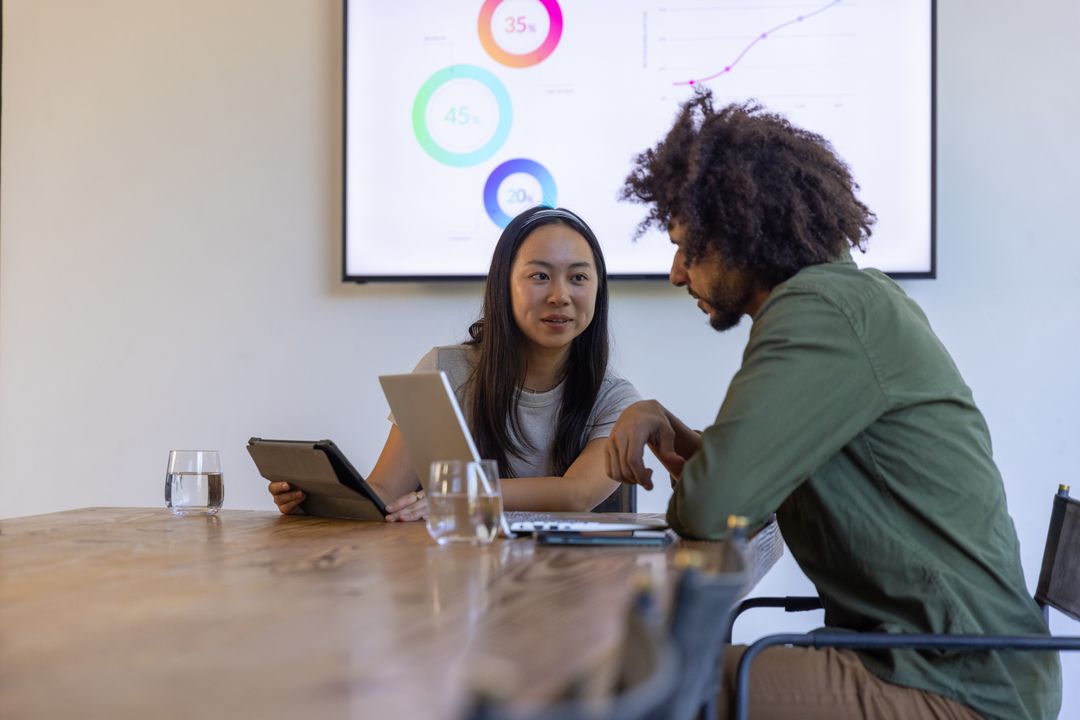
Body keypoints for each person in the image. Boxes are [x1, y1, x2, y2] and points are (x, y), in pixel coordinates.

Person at [606, 90, 1061, 720]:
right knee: (663, 666)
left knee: (645, 682)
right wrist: (676, 433)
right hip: (953, 660)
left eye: (690, 249)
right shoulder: (852, 299)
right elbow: (754, 476)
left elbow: (711, 508)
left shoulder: (818, 312)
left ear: (742, 235)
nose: (677, 274)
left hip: (954, 682)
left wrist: (709, 474)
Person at [270, 206, 640, 521]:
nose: (560, 295)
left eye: (578, 277)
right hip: (457, 582)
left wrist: (459, 494)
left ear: (597, 289)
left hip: (569, 583)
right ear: (504, 284)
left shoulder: (616, 398)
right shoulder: (445, 371)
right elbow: (385, 491)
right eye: (540, 276)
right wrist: (317, 499)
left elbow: (576, 495)